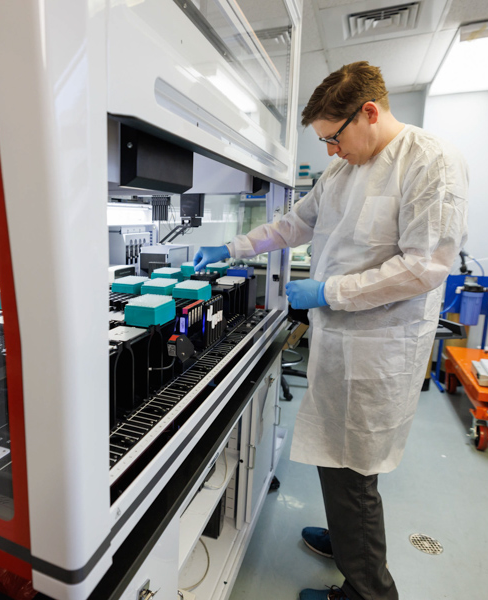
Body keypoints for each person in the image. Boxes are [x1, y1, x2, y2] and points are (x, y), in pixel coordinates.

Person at [193, 61, 468, 600]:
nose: (329, 152)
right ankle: (346, 543)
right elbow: (294, 224)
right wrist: (233, 248)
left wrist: (328, 292)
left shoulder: (429, 162)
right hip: (341, 340)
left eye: (333, 138)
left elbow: (424, 267)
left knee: (355, 470)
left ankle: (368, 589)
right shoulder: (343, 171)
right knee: (334, 456)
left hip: (381, 346)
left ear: (369, 112)